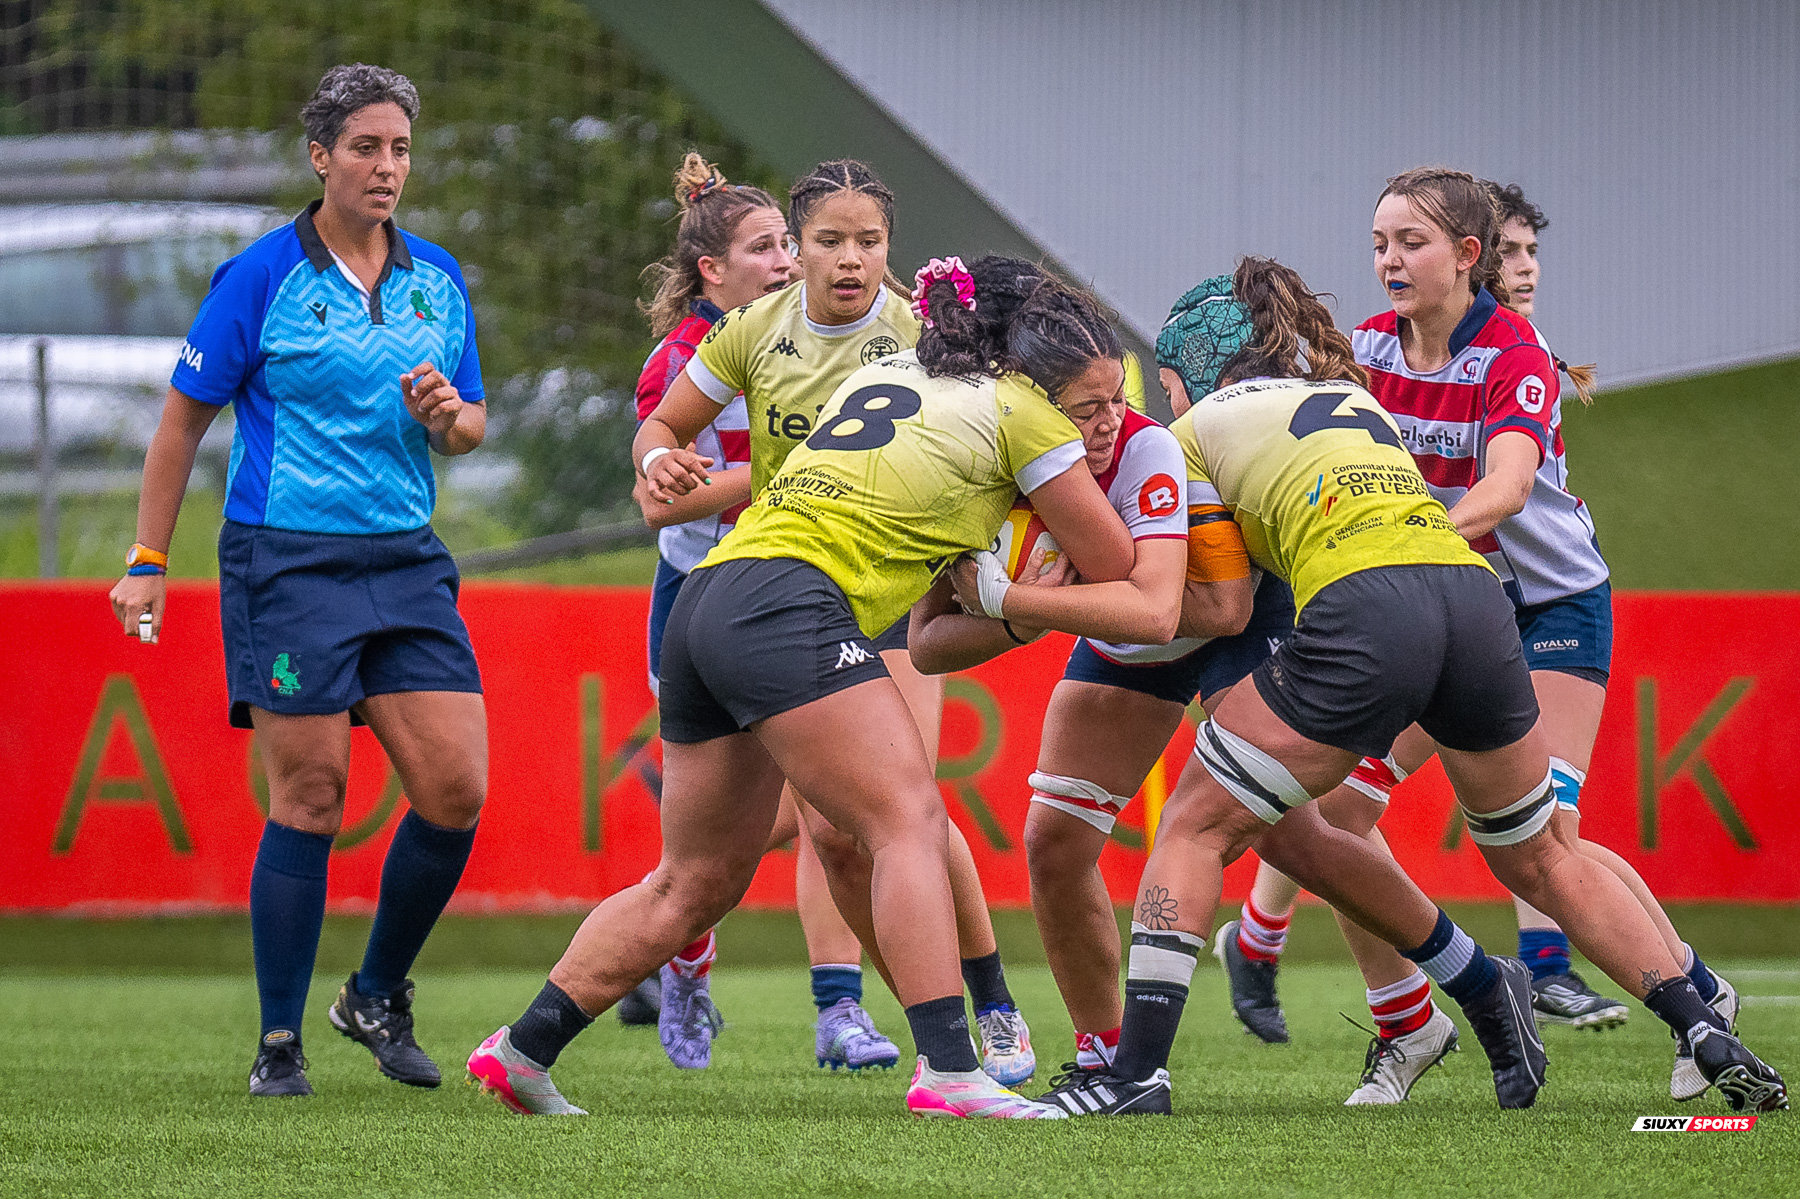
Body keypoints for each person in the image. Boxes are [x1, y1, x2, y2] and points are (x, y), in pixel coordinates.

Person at [1047, 255, 1787, 1117]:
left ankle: (1135, 1074)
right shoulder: (1355, 401)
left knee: (1194, 821)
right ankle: (1701, 1024)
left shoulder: (1193, 432)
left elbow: (1223, 600)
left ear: (1185, 377)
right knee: (1541, 852)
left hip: (1368, 611)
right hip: (1477, 598)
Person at [465, 254, 1134, 1119]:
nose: (1100, 411)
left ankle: (523, 1048)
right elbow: (1115, 562)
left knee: (693, 879)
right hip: (790, 600)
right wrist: (1036, 568)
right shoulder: (1025, 413)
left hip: (708, 594)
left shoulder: (892, 370)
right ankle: (951, 1069)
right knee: (908, 820)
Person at [1227, 170, 1748, 1107]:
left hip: (1544, 607)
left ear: (1467, 258)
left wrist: (1388, 551)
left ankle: (1698, 998)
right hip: (1444, 602)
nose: (1388, 259)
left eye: (1410, 243)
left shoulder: (1513, 351)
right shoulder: (1370, 351)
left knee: (1548, 840)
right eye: (1379, 241)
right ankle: (1405, 1027)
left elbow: (1505, 492)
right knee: (1339, 816)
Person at [107, 64, 488, 1099]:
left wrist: (447, 413)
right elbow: (182, 422)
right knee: (312, 795)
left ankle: (375, 991)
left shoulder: (435, 279)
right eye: (365, 146)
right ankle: (280, 1039)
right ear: (321, 156)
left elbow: (468, 429)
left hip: (406, 559)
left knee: (456, 791)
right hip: (287, 559)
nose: (386, 166)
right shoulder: (259, 276)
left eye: (400, 148)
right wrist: (148, 561)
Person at [636, 159, 1037, 1085]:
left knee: (905, 813)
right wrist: (659, 458)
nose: (847, 260)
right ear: (796, 249)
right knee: (826, 828)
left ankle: (993, 1003)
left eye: (868, 243)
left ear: (890, 252)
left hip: (883, 592)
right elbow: (662, 433)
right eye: (825, 241)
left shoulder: (918, 333)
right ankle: (879, 1017)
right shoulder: (750, 331)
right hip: (766, 591)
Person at [906, 277, 1297, 1087]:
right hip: (1129, 632)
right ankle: (1103, 1054)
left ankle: (1430, 995)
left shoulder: (1146, 447)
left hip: (1232, 616)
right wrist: (1022, 615)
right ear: (1026, 411)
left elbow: (1188, 612)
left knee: (1304, 836)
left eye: (1117, 395)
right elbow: (929, 643)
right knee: (1053, 843)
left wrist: (1015, 597)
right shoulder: (970, 465)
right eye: (1086, 410)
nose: (1112, 419)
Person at [617, 151, 899, 1073]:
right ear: (713, 272)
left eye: (793, 243)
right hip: (703, 601)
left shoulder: (851, 335)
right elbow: (660, 498)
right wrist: (788, 469)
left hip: (816, 588)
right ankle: (685, 957)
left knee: (836, 811)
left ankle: (841, 1010)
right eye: (767, 248)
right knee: (712, 845)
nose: (788, 263)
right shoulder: (690, 359)